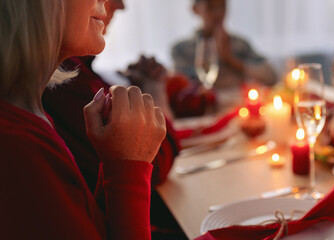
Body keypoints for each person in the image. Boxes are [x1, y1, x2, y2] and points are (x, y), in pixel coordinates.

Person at [0, 0, 166, 239]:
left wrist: (117, 164)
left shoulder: (32, 118)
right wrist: (128, 167)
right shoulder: (14, 146)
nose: (107, 1)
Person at [42, 0, 185, 238]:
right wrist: (155, 93)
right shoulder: (63, 79)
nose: (119, 5)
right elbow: (153, 161)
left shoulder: (66, 76)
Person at [171, 0, 277, 89]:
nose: (218, 14)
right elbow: (181, 88)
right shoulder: (182, 50)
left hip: (238, 108)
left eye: (222, 6)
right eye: (211, 7)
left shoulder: (240, 45)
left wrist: (230, 59)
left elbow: (271, 77)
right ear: (195, 9)